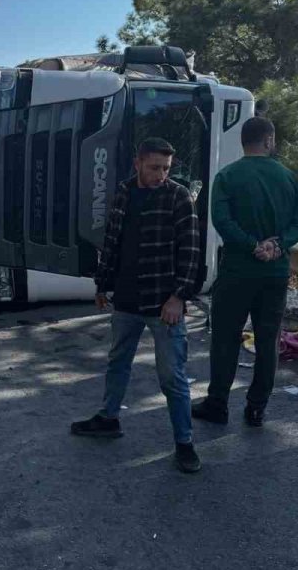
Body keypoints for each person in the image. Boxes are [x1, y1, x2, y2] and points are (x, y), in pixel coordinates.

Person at [71, 137, 202, 474]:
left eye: (166, 168)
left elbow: (191, 252)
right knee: (117, 362)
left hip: (163, 304)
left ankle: (185, 443)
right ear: (138, 163)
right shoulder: (124, 193)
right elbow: (113, 242)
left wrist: (178, 297)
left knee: (172, 376)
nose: (161, 174)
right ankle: (109, 418)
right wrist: (103, 283)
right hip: (126, 300)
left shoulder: (179, 197)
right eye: (155, 167)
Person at [193, 116, 298, 427]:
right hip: (275, 273)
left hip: (237, 271)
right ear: (269, 141)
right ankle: (257, 408)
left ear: (243, 141)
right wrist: (278, 245)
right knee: (268, 340)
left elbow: (221, 220)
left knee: (225, 339)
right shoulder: (288, 178)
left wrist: (251, 245)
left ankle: (217, 403)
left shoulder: (228, 176)